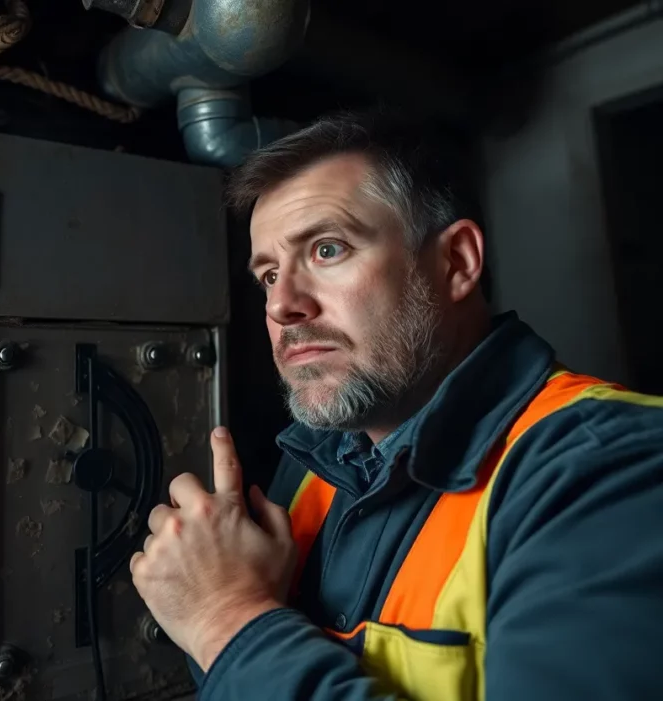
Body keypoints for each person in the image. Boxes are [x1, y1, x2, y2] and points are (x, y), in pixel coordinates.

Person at [127, 110, 663, 700]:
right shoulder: (314, 462)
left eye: (327, 250)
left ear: (456, 261)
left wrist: (226, 620)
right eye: (268, 274)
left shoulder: (609, 468)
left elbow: (237, 639)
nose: (282, 306)